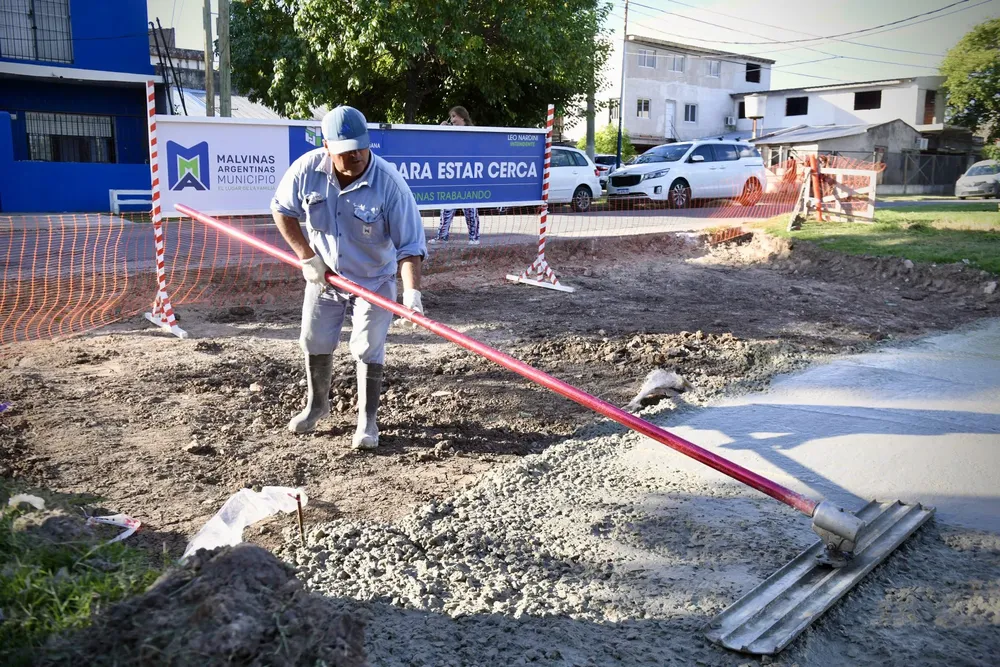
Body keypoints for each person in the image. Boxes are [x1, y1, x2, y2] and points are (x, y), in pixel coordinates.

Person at [271, 105, 427, 450]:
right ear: (327, 146)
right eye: (345, 149)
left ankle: (367, 421)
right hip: (324, 276)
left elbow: (410, 246)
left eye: (361, 145)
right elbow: (282, 210)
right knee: (313, 340)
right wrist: (307, 258)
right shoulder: (306, 171)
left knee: (367, 347)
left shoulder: (390, 185)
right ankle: (316, 406)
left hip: (373, 280)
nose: (356, 154)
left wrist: (411, 294)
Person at [430, 106, 481, 245]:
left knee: (470, 208)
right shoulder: (450, 132)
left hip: (467, 176)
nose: (452, 120)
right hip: (452, 177)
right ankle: (442, 236)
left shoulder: (472, 133)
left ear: (462, 117)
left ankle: (474, 237)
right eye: (451, 117)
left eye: (454, 116)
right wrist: (441, 131)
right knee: (446, 207)